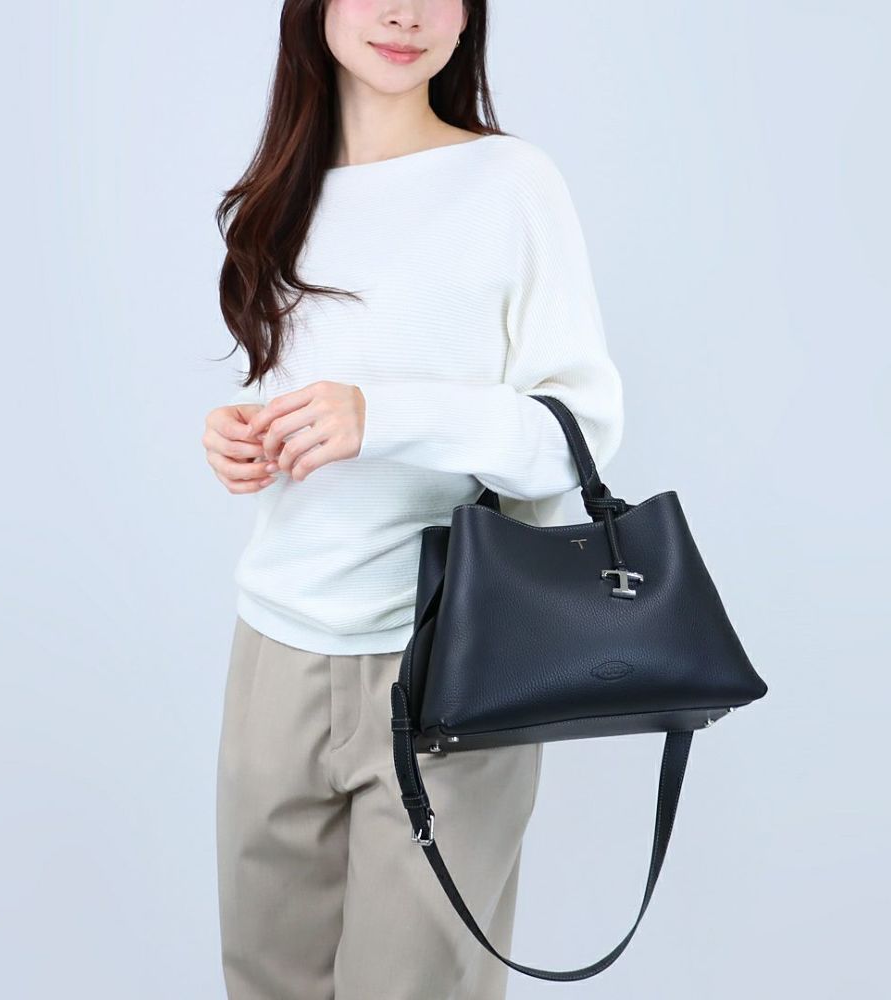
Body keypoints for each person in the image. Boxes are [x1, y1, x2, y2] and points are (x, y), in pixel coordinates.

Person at [201, 2, 624, 997]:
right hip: (273, 654)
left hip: (450, 663)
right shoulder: (278, 196)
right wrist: (240, 432)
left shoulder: (511, 183)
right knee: (265, 982)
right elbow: (303, 400)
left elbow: (577, 438)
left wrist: (380, 415)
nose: (403, 12)